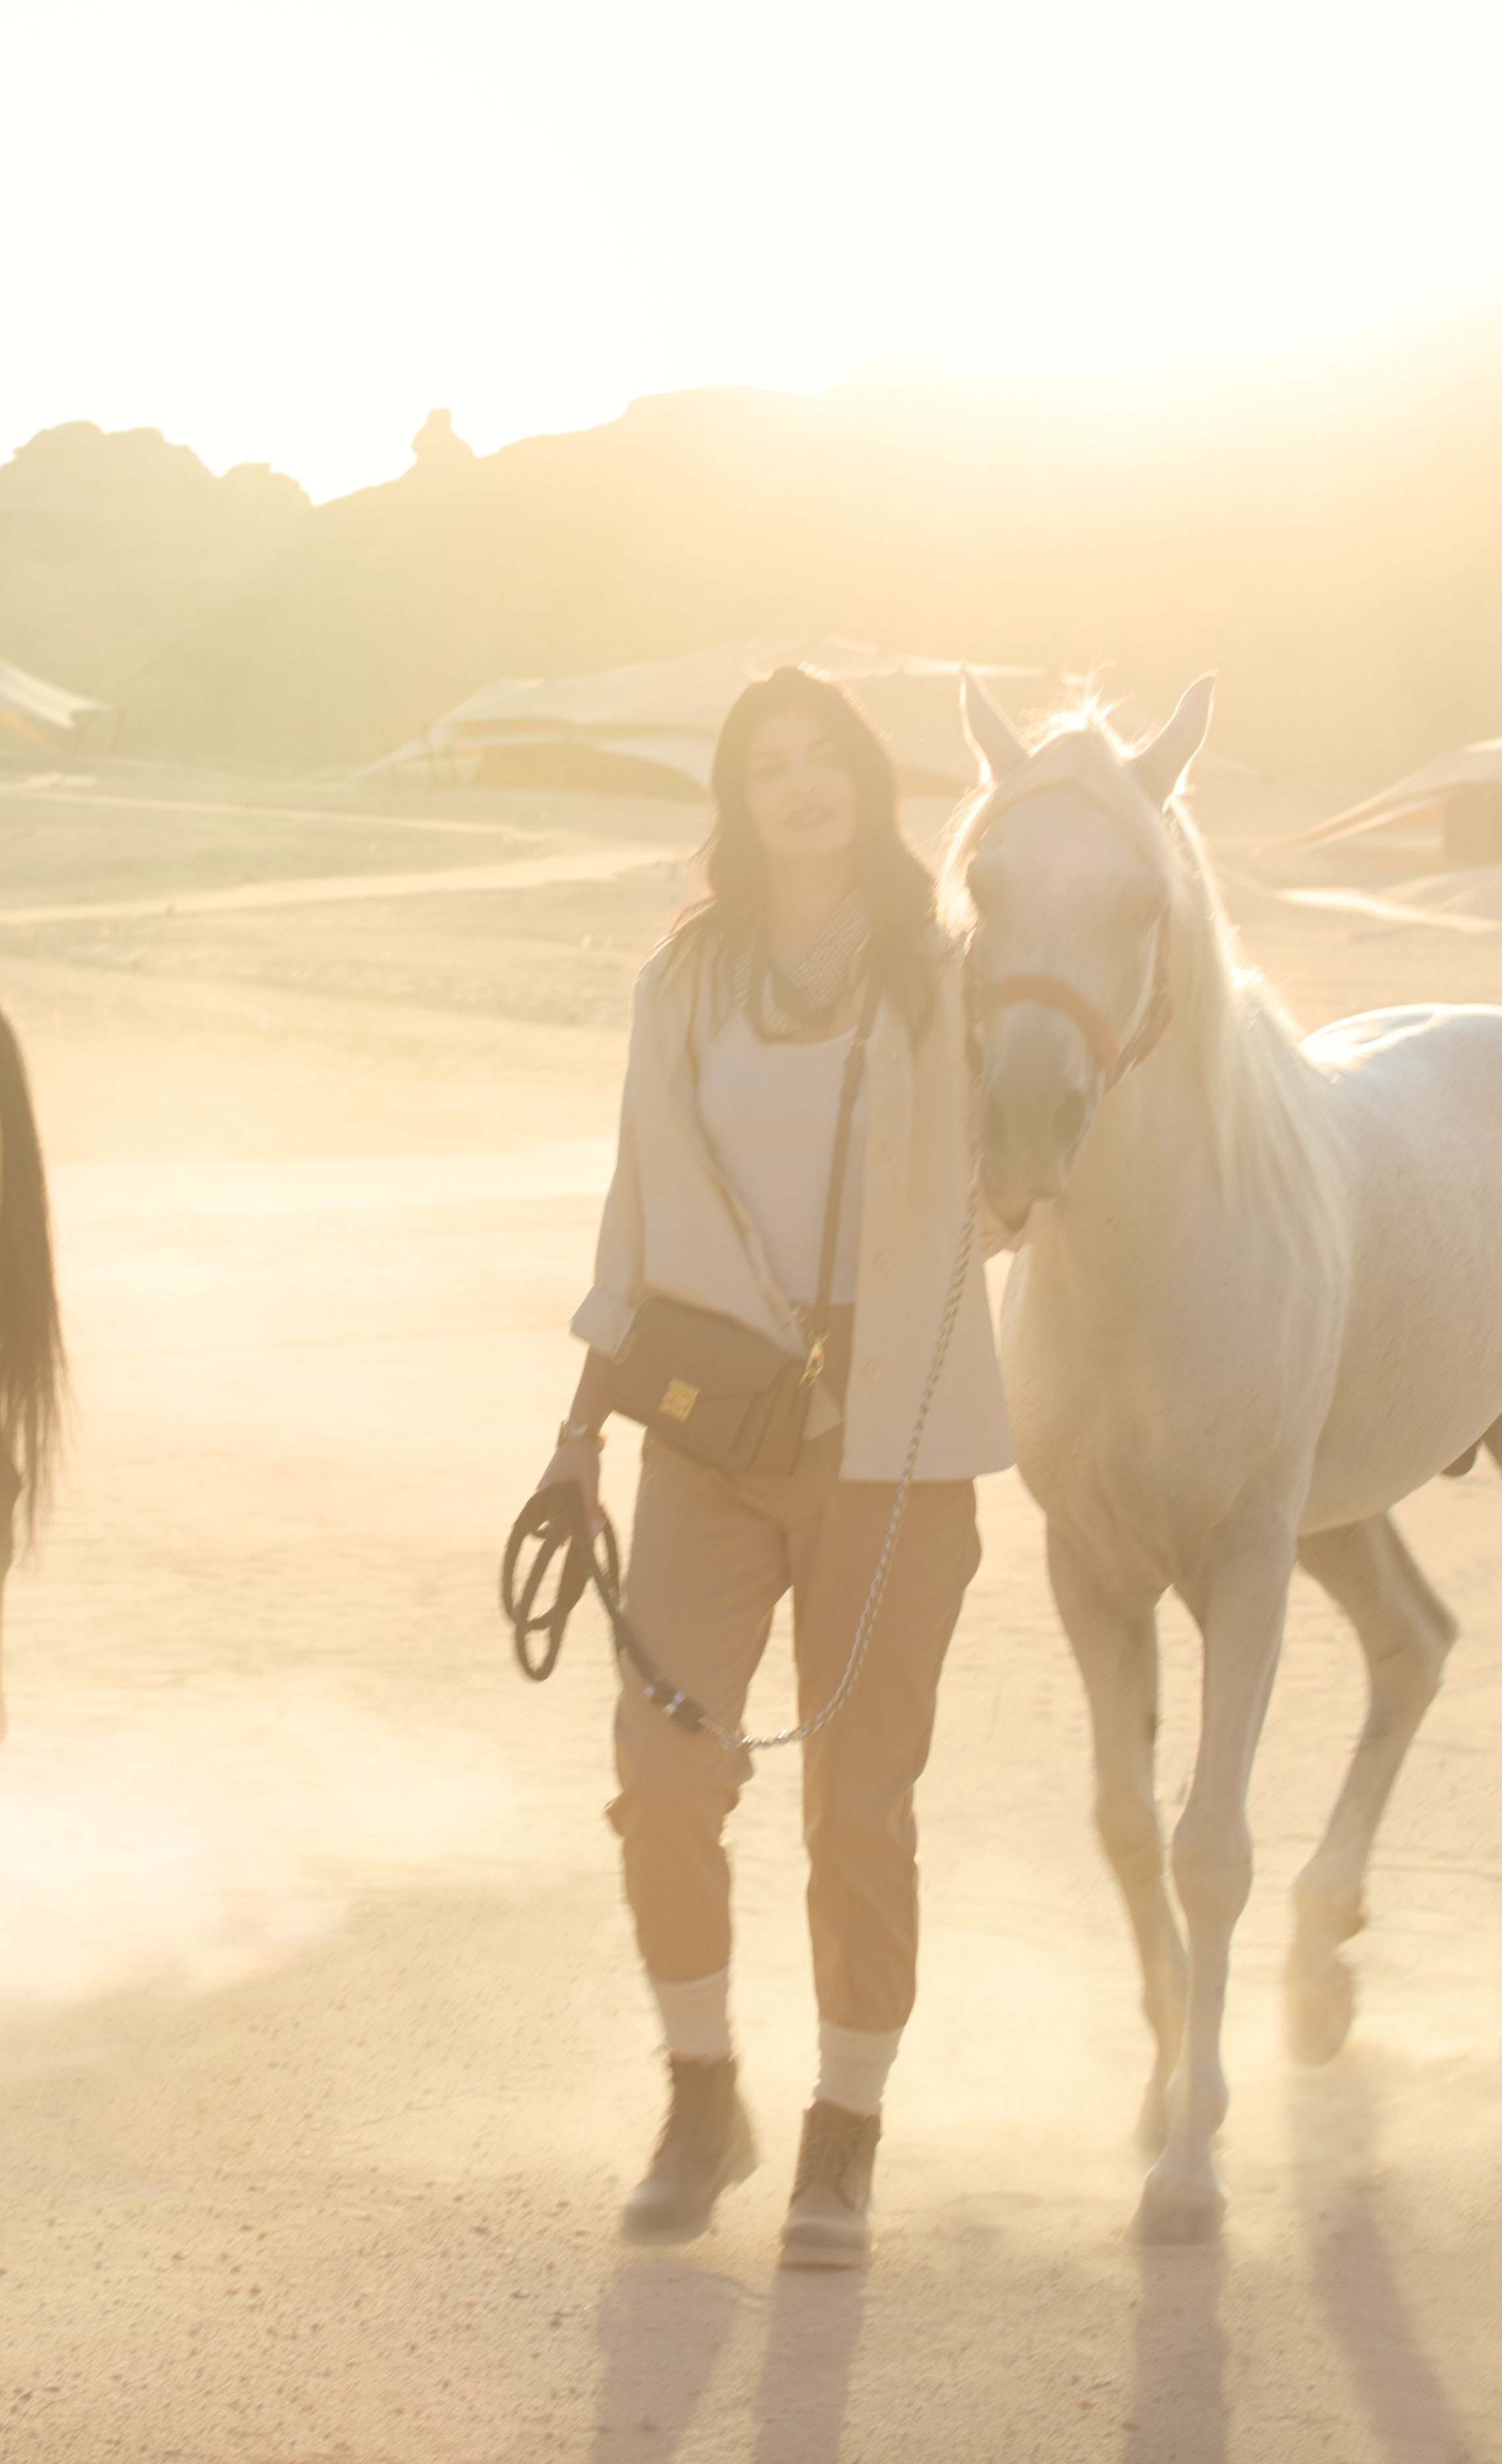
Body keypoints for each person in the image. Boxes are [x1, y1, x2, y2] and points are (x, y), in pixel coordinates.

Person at [543, 666, 1013, 2265]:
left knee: (858, 1804)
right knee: (664, 1778)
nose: (801, 787)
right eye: (770, 766)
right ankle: (701, 2096)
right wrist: (579, 1420)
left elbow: (1033, 1159)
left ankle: (843, 2137)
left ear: (871, 784)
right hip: (711, 1425)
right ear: (737, 800)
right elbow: (637, 1200)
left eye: (827, 760)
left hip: (897, 1439)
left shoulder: (950, 973)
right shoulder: (685, 979)